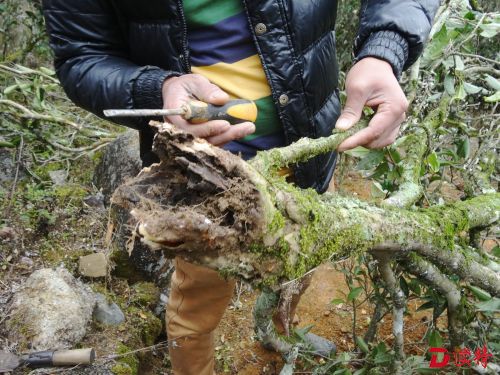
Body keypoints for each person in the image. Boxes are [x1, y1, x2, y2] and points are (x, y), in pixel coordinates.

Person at [42, 1, 439, 374]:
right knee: (196, 302)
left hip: (309, 151)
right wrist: (157, 88)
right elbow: (82, 56)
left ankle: (282, 331)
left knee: (302, 258)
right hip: (204, 179)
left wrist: (383, 50)